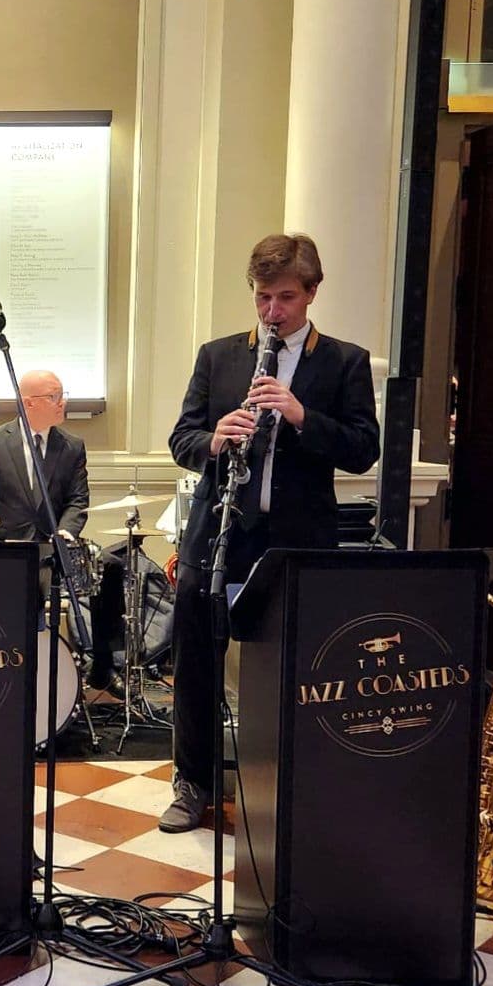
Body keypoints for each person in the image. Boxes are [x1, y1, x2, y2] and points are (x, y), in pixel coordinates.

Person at [163, 234, 379, 834]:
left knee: (293, 668)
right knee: (198, 660)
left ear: (312, 292)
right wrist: (214, 438)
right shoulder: (219, 355)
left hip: (294, 540)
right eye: (263, 297)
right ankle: (193, 784)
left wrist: (301, 414)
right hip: (219, 533)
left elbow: (364, 450)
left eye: (286, 297)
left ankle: (289, 784)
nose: (272, 311)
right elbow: (182, 438)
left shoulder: (343, 361)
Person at [0, 370, 88, 543]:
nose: (62, 403)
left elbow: (77, 499)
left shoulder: (72, 447)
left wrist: (65, 531)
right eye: (53, 397)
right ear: (28, 403)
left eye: (62, 395)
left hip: (50, 550)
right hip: (3, 548)